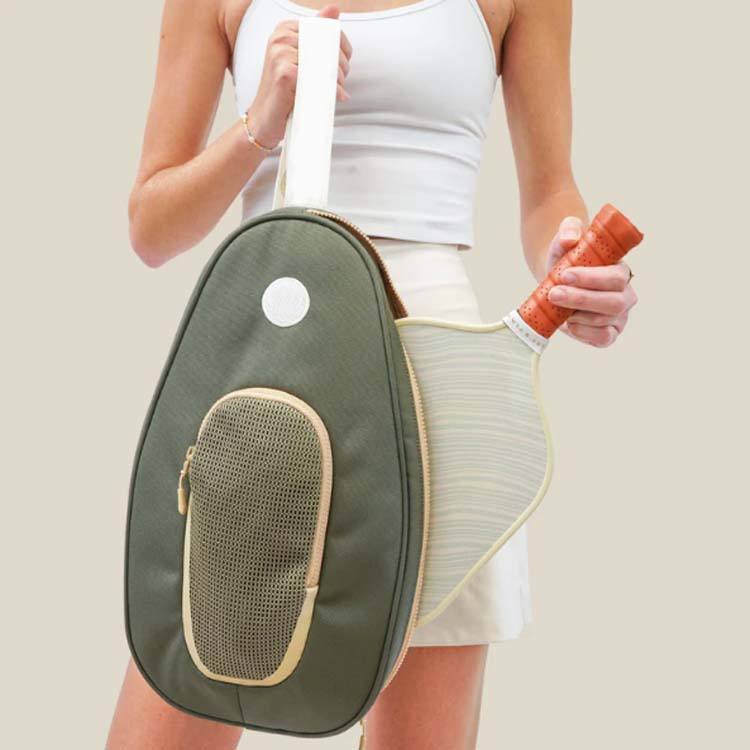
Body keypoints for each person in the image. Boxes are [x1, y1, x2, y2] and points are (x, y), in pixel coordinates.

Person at [108, 1, 638, 747]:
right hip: (272, 362)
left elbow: (550, 192)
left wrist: (572, 265)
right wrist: (260, 125)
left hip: (435, 381)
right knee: (196, 655)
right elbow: (153, 228)